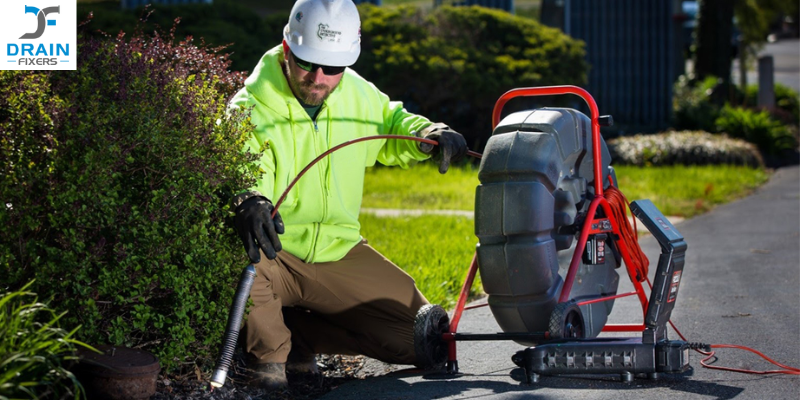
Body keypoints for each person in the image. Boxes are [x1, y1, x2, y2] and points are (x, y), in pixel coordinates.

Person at [227, 0, 468, 391]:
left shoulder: (356, 93)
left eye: (334, 68)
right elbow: (242, 166)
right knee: (242, 266)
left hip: (341, 250)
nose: (319, 78)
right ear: (288, 49)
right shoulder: (249, 107)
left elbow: (391, 122)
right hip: (278, 253)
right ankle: (269, 360)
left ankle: (301, 336)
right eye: (307, 63)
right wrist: (249, 199)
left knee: (425, 338)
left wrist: (427, 133)